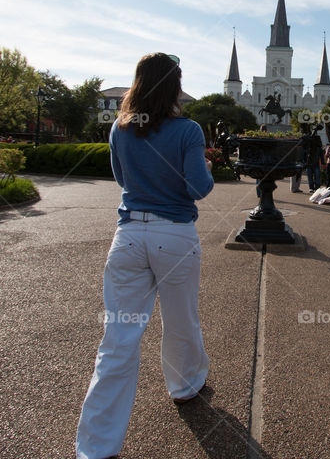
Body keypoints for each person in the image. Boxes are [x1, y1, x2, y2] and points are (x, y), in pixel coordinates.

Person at [76, 53, 214, 459]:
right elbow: (198, 188)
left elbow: (123, 179)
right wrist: (203, 162)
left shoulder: (121, 129)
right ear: (174, 86)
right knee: (180, 318)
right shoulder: (188, 130)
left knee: (118, 338)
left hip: (130, 235)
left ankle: (97, 447)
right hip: (174, 236)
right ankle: (185, 385)